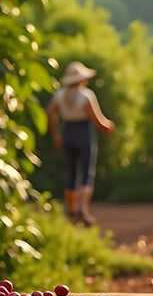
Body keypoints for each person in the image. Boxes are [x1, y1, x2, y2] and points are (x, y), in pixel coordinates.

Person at [47, 61, 115, 225]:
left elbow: (50, 113)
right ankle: (82, 210)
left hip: (68, 133)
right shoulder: (86, 95)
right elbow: (98, 120)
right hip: (84, 133)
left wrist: (56, 134)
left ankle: (70, 210)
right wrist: (109, 127)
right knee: (86, 172)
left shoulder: (60, 95)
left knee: (71, 172)